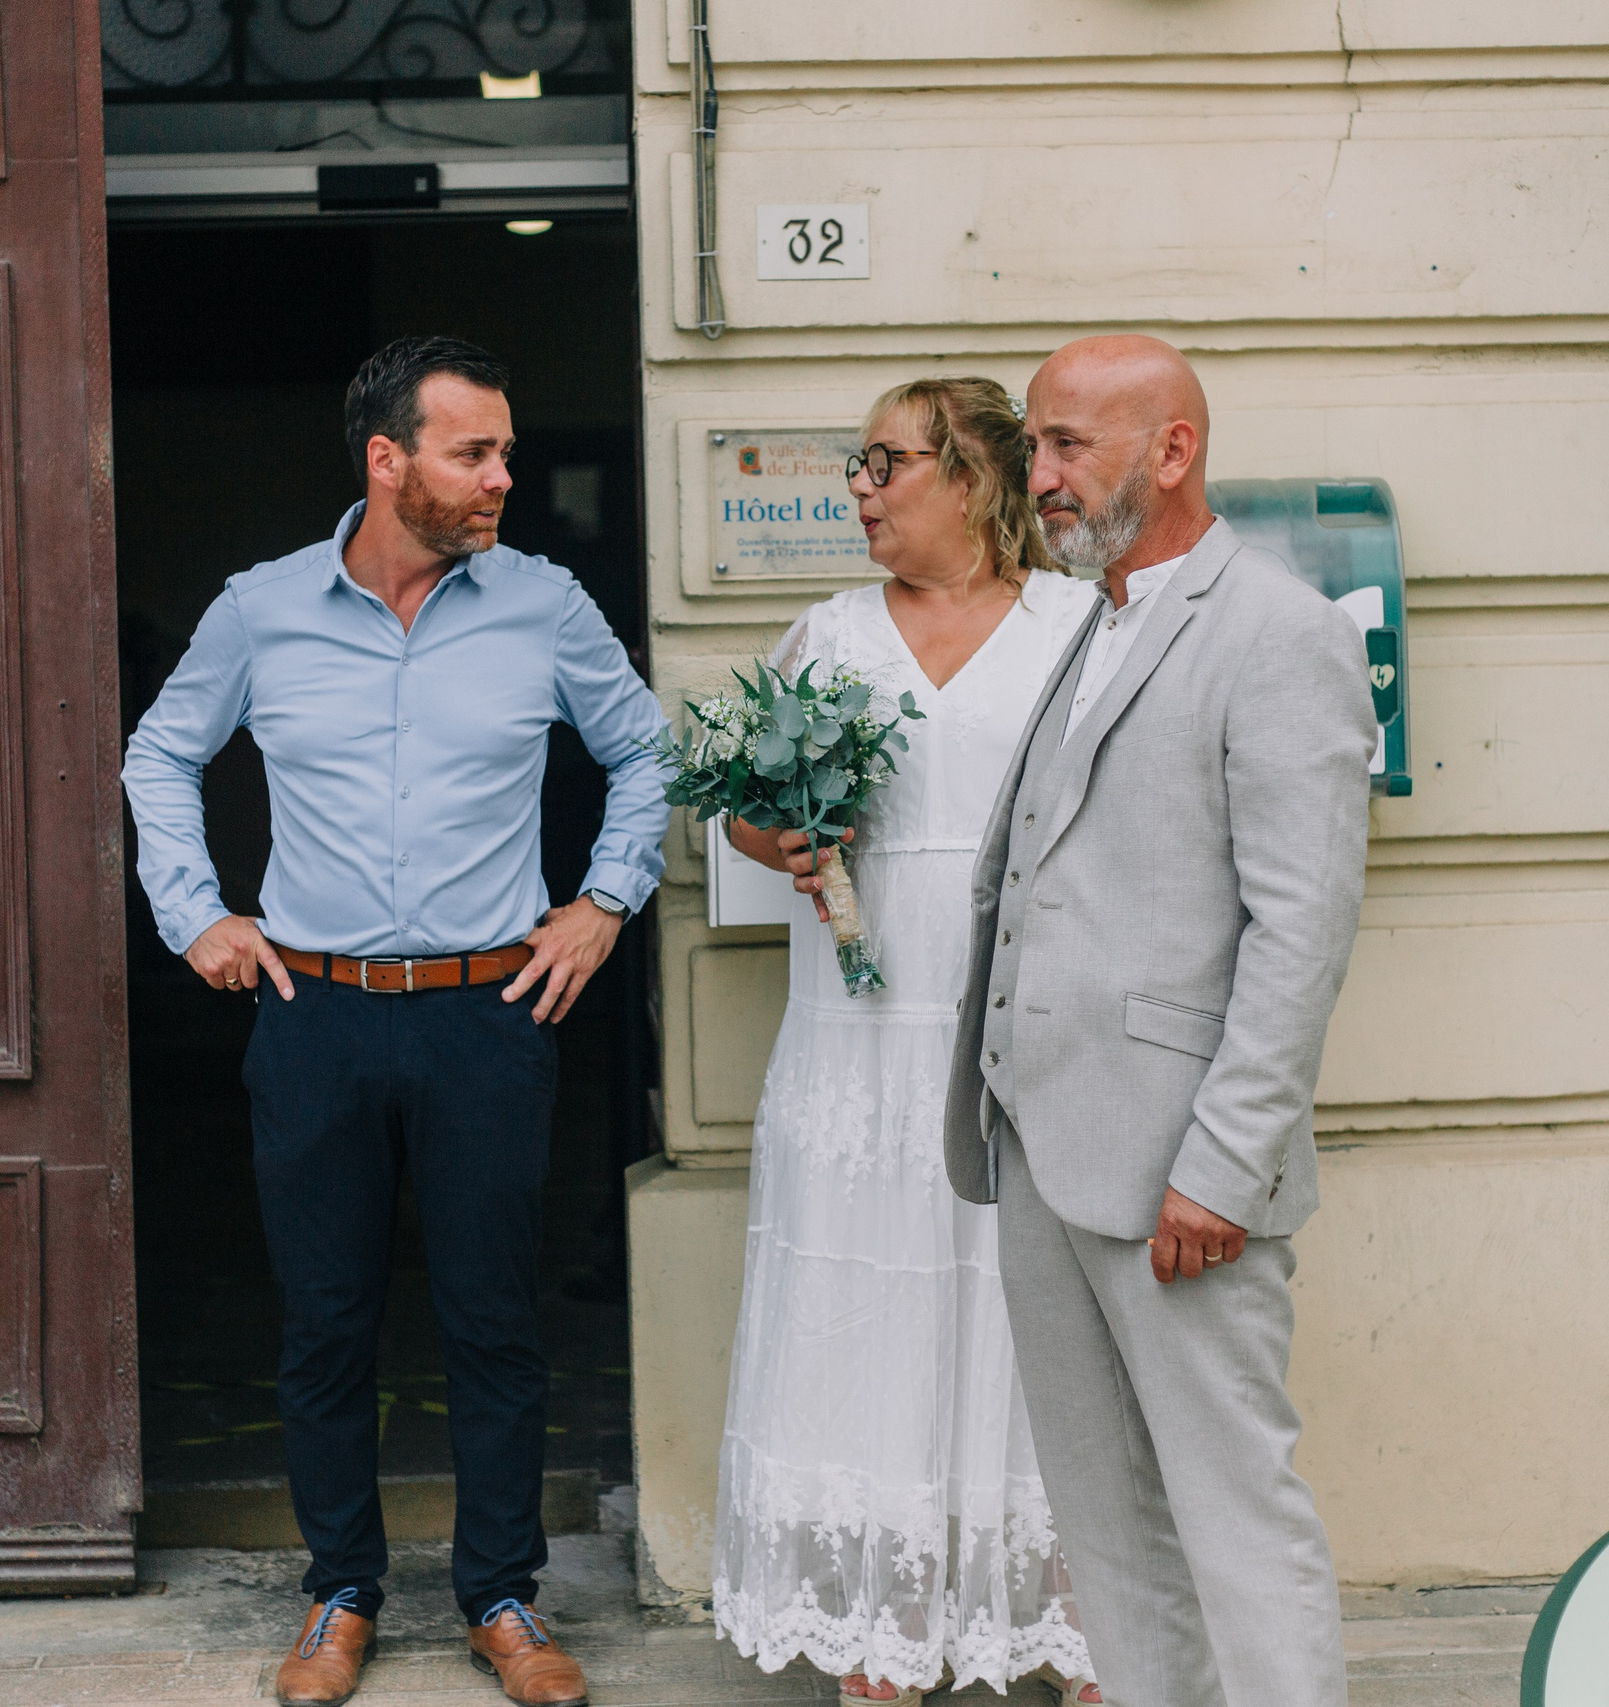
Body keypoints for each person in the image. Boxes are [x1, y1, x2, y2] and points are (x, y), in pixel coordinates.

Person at [121, 336, 668, 1707]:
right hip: (315, 1012)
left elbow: (644, 754)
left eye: (505, 451)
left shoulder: (544, 605)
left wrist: (603, 902)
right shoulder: (261, 610)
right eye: (472, 452)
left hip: (490, 1012)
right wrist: (199, 917)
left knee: (493, 1319)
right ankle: (340, 1594)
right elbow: (161, 753)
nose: (501, 476)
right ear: (387, 459)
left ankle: (501, 1595)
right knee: (325, 1321)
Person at [941, 335, 1374, 1707]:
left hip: (1184, 1177)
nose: (1042, 476)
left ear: (1171, 452)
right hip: (1044, 1151)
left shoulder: (1282, 632)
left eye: (1071, 446)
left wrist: (1222, 1163)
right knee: (1106, 1532)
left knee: (1239, 1524)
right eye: (1039, 446)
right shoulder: (1095, 619)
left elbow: (1300, 930)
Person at [713, 378, 1105, 1707]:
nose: (860, 489)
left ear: (975, 482)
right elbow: (745, 826)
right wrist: (781, 836)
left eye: (885, 463)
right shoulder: (824, 634)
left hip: (1029, 1026)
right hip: (864, 1043)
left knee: (1035, 1315)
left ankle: (1068, 1618)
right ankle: (889, 1628)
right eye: (858, 464)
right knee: (877, 1310)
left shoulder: (1076, 628)